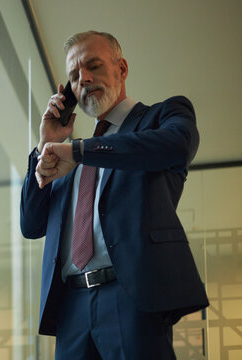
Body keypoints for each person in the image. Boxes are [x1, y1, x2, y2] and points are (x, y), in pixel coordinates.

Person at [20, 31, 209, 359]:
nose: (85, 79)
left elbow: (176, 146)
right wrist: (44, 143)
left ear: (121, 69)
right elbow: (31, 224)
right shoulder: (69, 154)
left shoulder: (161, 117)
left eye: (93, 66)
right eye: (75, 76)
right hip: (70, 307)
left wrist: (80, 150)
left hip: (131, 295)